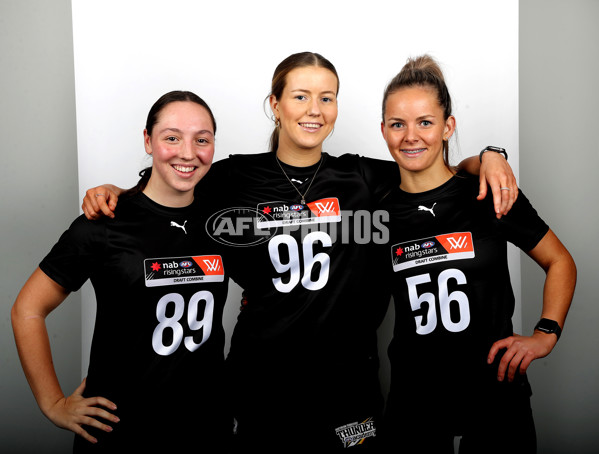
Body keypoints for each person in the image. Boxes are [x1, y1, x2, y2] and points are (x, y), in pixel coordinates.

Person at [80, 52, 517, 452]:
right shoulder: (233, 177)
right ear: (275, 104)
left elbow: (431, 167)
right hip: (261, 387)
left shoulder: (363, 176)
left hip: (350, 394)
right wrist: (122, 193)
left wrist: (488, 156)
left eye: (327, 97)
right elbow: (172, 185)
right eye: (301, 95)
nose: (314, 109)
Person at [11, 91, 232, 452]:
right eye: (171, 137)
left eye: (202, 140)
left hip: (207, 426)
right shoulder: (103, 224)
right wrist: (52, 403)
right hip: (122, 430)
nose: (188, 152)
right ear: (148, 140)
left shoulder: (222, 222)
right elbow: (27, 310)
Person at [378, 55, 576, 453]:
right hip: (415, 401)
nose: (410, 136)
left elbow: (560, 262)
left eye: (425, 122)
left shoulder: (487, 193)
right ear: (383, 130)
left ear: (448, 126)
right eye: (398, 124)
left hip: (496, 394)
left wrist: (545, 334)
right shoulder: (376, 209)